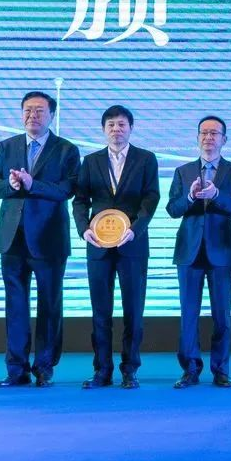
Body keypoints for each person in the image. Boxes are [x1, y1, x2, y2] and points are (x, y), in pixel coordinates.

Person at [0, 91, 80, 388]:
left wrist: (32, 184)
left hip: (48, 238)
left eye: (39, 111)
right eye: (27, 110)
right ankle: (16, 369)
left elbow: (67, 190)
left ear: (51, 115)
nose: (32, 116)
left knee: (50, 305)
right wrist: (11, 185)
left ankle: (44, 368)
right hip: (11, 237)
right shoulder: (8, 145)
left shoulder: (66, 149)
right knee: (15, 305)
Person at [72, 105, 160, 389]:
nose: (116, 129)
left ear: (130, 128)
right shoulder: (91, 161)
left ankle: (130, 369)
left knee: (133, 310)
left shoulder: (146, 159)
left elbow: (151, 199)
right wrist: (84, 228)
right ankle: (102, 370)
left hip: (132, 245)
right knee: (101, 311)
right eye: (110, 124)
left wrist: (134, 230)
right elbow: (80, 200)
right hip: (98, 246)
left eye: (121, 124)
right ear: (103, 129)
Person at [166, 115, 231, 388]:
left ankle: (221, 370)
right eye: (204, 133)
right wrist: (190, 196)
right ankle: (190, 369)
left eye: (214, 133)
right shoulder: (183, 171)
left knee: (222, 315)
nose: (208, 138)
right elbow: (172, 209)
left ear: (224, 139)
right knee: (188, 315)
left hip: (222, 252)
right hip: (189, 252)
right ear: (197, 138)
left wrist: (216, 195)